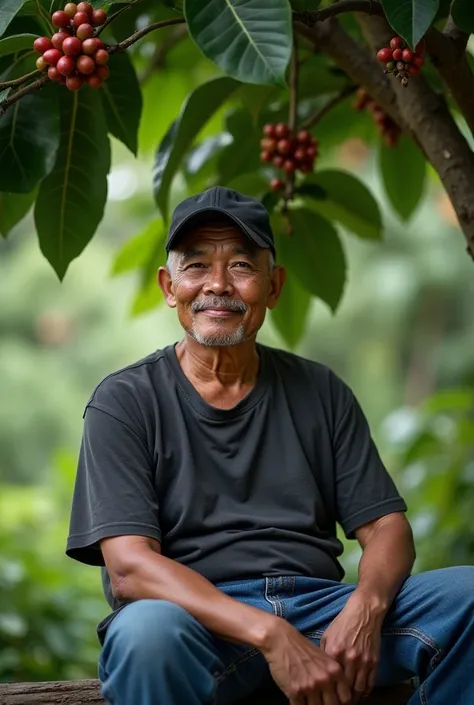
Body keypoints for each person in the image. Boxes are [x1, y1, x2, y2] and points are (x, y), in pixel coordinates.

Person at [66, 187, 474, 705]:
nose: (217, 284)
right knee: (146, 635)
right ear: (170, 287)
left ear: (274, 286)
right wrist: (270, 633)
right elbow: (128, 568)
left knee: (469, 598)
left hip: (320, 610)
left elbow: (387, 527)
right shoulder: (123, 401)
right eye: (196, 266)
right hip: (195, 622)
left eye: (241, 265)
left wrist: (366, 607)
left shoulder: (320, 391)